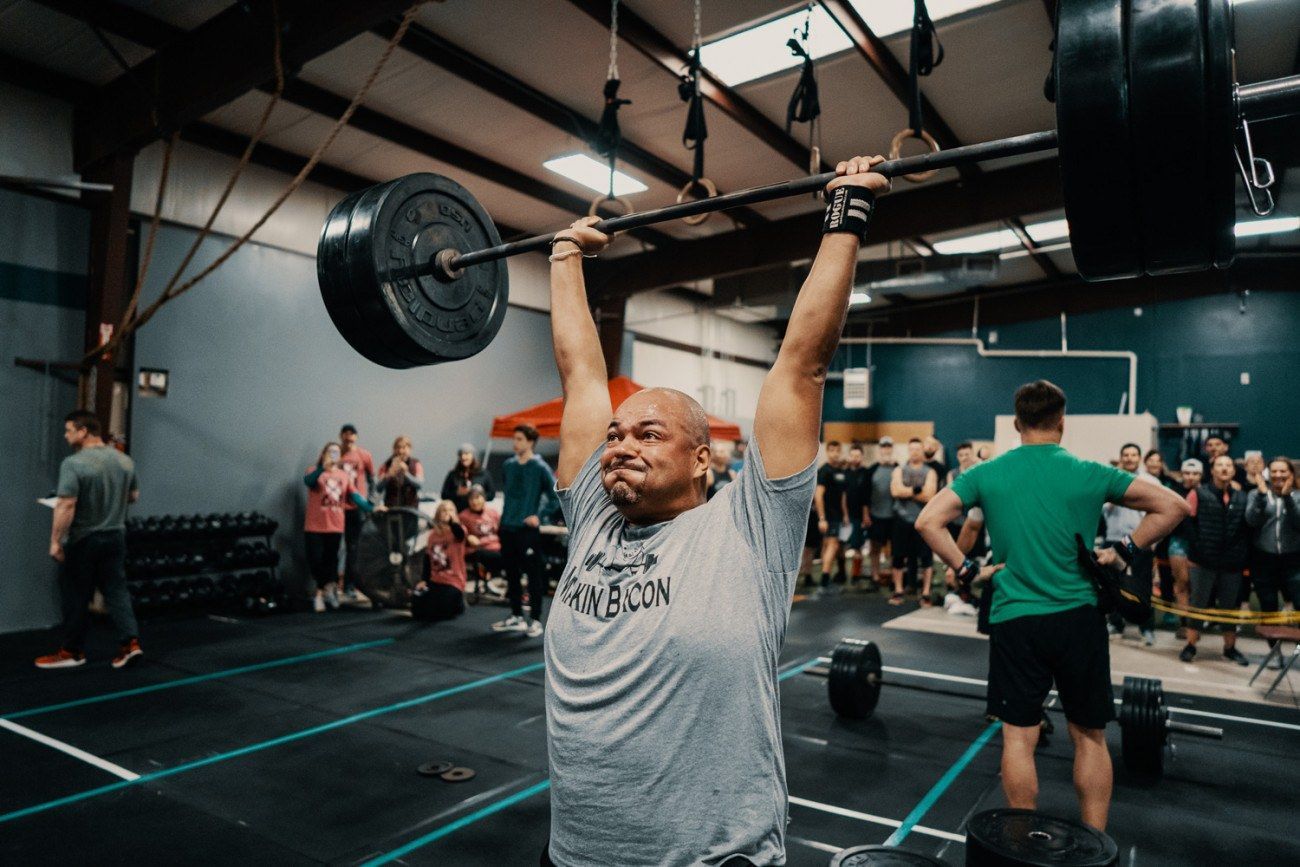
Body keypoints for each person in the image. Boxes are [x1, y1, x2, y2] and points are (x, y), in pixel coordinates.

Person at [539, 156, 889, 866]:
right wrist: (565, 257)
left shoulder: (748, 528)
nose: (620, 445)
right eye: (615, 434)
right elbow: (581, 375)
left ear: (703, 457)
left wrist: (845, 212)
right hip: (573, 857)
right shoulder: (593, 521)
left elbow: (802, 363)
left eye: (648, 433)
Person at [915, 380, 1188, 832]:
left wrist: (966, 571)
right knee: (1090, 737)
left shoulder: (987, 473)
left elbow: (929, 521)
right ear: (1062, 422)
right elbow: (1172, 506)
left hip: (1015, 619)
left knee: (1018, 738)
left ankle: (1020, 843)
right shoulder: (1088, 470)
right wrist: (1124, 550)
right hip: (1078, 619)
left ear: (1017, 423)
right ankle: (1096, 844)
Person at [36, 410, 144, 670]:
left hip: (85, 539)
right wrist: (108, 499)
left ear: (83, 431)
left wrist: (55, 542)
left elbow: (66, 505)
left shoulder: (74, 463)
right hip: (116, 536)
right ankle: (130, 644)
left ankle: (72, 652)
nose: (65, 435)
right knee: (116, 591)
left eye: (69, 430)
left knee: (75, 593)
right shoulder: (124, 460)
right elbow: (133, 497)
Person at [1180, 454, 1252, 665]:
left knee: (1230, 608)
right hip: (1202, 562)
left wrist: (1239, 554)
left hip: (1232, 564)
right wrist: (1199, 549)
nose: (1224, 469)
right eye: (1220, 465)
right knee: (1198, 604)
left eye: (1228, 465)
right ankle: (1190, 645)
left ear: (1233, 470)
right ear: (1212, 470)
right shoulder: (1197, 494)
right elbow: (1188, 524)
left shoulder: (1242, 496)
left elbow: (1245, 529)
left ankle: (1230, 648)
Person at [491, 424, 558, 638]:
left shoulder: (540, 467)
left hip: (526, 531)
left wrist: (540, 515)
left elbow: (556, 495)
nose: (515, 443)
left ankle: (536, 619)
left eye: (519, 439)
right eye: (515, 439)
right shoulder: (509, 465)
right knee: (511, 574)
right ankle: (516, 616)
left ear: (530, 442)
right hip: (507, 528)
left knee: (533, 574)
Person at [304, 442, 375, 612]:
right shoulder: (314, 471)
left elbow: (355, 496)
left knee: (331, 560)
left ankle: (322, 594)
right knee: (315, 560)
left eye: (336, 452)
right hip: (315, 525)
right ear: (324, 453)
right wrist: (323, 467)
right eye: (330, 452)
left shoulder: (344, 476)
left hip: (335, 525)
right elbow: (308, 481)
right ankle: (328, 587)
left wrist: (372, 508)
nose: (334, 455)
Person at [1101, 443, 1158, 646]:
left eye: (1134, 455)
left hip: (1139, 541)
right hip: (1114, 540)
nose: (1130, 458)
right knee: (1112, 584)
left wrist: (1153, 541)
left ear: (1140, 458)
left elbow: (1157, 513)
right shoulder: (1110, 479)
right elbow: (1103, 509)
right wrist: (1116, 494)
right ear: (1121, 457)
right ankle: (1115, 624)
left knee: (1143, 585)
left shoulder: (1150, 482)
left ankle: (1146, 628)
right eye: (1126, 454)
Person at [1245, 457, 1300, 651]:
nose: (1278, 475)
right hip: (1264, 561)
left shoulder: (1298, 496)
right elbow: (1251, 521)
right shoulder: (1256, 494)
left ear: (1291, 474)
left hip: (1293, 561)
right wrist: (1260, 497)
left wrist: (1287, 498)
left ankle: (1298, 652)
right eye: (1274, 471)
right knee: (1268, 608)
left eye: (1283, 471)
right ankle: (1274, 653)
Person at [890, 438, 938, 605]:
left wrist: (907, 491)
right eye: (912, 449)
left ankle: (925, 593)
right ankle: (898, 590)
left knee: (926, 559)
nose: (915, 452)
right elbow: (895, 491)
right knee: (898, 556)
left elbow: (930, 495)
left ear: (922, 451)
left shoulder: (930, 472)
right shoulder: (899, 470)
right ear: (908, 451)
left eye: (918, 449)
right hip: (901, 520)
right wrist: (917, 490)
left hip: (923, 521)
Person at [412, 500, 469, 622]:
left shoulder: (459, 531)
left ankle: (459, 602)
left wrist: (452, 522)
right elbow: (427, 559)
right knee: (417, 609)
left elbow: (459, 533)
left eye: (450, 510)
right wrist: (423, 580)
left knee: (441, 612)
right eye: (444, 510)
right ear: (438, 514)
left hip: (453, 580)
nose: (447, 513)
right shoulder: (433, 535)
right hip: (436, 580)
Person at [337, 424, 375, 600]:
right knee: (337, 547)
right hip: (337, 508)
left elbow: (372, 479)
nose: (348, 438)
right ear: (341, 437)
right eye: (345, 435)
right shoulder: (335, 455)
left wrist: (371, 500)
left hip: (357, 507)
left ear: (356, 437)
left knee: (354, 547)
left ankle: (351, 586)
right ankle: (333, 586)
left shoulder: (364, 455)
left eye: (352, 435)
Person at [1167, 458, 1203, 633]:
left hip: (1201, 543)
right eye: (1187, 473)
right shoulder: (1174, 492)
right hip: (1179, 542)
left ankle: (1195, 626)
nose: (1191, 477)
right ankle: (1184, 624)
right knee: (1182, 583)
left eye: (1195, 473)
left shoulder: (1207, 492)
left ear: (1201, 475)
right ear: (1182, 474)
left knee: (1198, 587)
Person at [814, 440, 848, 593]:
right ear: (827, 452)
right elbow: (818, 495)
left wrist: (845, 515)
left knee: (832, 546)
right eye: (832, 450)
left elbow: (842, 496)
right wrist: (822, 518)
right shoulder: (824, 471)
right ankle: (824, 582)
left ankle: (828, 577)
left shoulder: (840, 471)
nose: (835, 453)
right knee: (832, 546)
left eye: (837, 450)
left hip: (838, 515)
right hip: (828, 516)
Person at [863, 437, 898, 586]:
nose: (886, 449)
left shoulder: (898, 468)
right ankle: (875, 575)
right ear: (880, 449)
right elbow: (865, 494)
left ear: (891, 449)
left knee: (894, 549)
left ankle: (891, 576)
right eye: (883, 447)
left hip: (895, 515)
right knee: (875, 547)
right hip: (876, 516)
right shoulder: (872, 470)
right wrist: (866, 514)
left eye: (888, 447)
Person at [461, 485, 504, 593]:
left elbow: (501, 530)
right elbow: (459, 534)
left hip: (496, 547)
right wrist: (468, 537)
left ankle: (513, 591)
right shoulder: (463, 516)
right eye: (471, 498)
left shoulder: (493, 513)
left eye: (477, 498)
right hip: (478, 549)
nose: (475, 502)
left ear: (483, 498)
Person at [843, 443, 871, 585]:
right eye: (853, 455)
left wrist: (866, 515)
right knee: (844, 545)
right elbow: (843, 496)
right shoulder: (845, 473)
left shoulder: (866, 473)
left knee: (857, 546)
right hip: (847, 515)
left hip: (861, 516)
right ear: (849, 456)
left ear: (862, 457)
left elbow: (866, 497)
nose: (855, 458)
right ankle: (842, 573)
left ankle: (856, 574)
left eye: (858, 455)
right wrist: (845, 514)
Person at [441, 443, 496, 513]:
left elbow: (491, 494)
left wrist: (478, 496)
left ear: (472, 455)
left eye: (466, 454)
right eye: (461, 454)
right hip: (459, 513)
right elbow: (444, 495)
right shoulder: (453, 474)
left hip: (477, 515)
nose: (463, 457)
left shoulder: (483, 474)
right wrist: (457, 493)